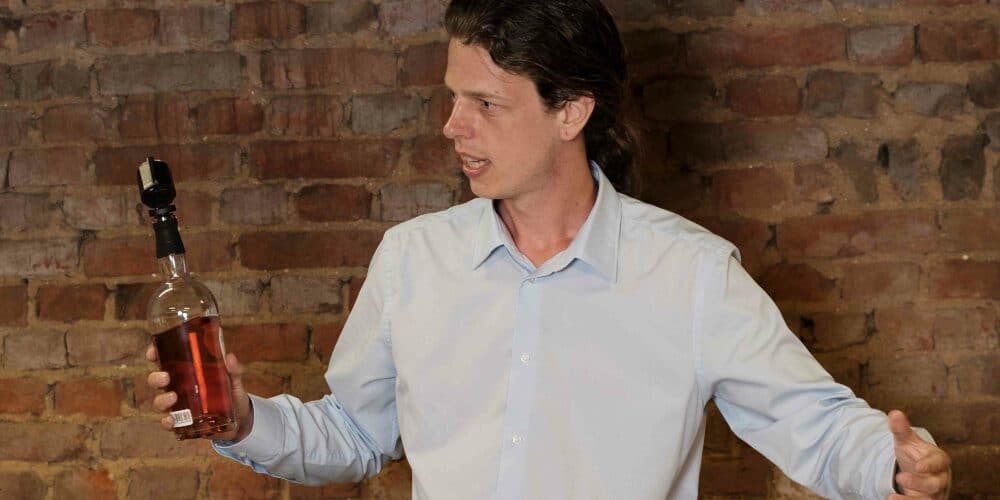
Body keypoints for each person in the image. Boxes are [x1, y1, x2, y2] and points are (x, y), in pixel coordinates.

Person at [146, 0, 952, 498]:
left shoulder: (691, 273)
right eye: (452, 98)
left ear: (571, 112)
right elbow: (357, 435)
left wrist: (893, 464)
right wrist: (242, 419)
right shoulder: (412, 261)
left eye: (485, 103)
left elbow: (815, 424)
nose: (451, 126)